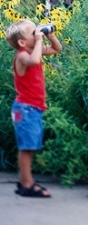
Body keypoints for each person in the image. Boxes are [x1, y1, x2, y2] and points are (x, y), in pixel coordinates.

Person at [5, 19, 62, 198]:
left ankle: (24, 182)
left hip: (33, 107)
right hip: (25, 108)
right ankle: (27, 184)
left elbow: (56, 49)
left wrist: (50, 36)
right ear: (22, 42)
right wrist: (38, 41)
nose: (37, 34)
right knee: (26, 147)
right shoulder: (22, 55)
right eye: (33, 33)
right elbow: (35, 59)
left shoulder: (32, 49)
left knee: (30, 146)